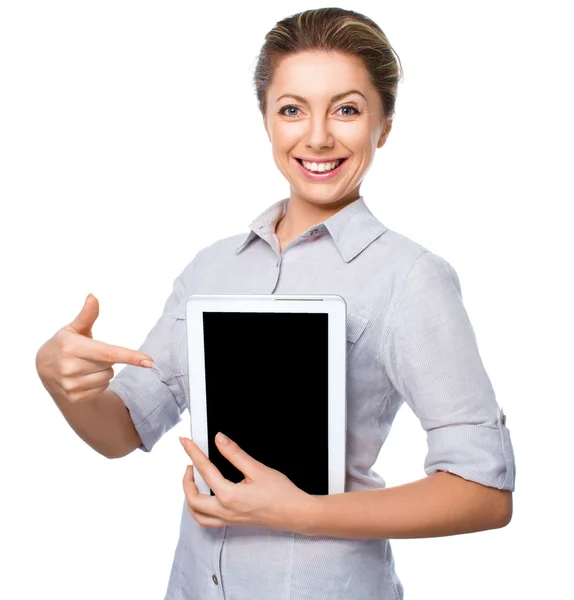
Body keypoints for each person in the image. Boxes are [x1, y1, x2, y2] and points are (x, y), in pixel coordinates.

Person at [35, 7, 516, 599]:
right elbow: (122, 430)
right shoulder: (212, 267)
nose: (316, 136)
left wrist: (301, 512)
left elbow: (484, 493)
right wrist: (64, 385)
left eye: (346, 108)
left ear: (383, 125)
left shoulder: (411, 279)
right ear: (267, 120)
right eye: (292, 109)